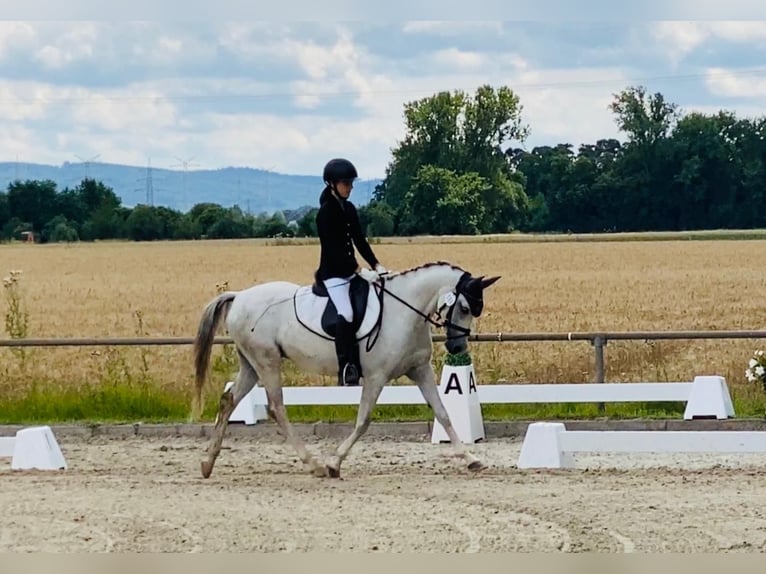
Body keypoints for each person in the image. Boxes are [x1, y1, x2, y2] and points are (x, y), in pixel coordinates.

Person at [315, 158, 388, 386]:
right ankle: (346, 367)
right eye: (346, 183)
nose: (350, 187)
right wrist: (358, 269)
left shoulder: (349, 209)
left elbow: (359, 240)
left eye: (350, 183)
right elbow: (334, 249)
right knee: (346, 313)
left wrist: (376, 265)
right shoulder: (325, 214)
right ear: (332, 184)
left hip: (350, 272)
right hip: (333, 275)